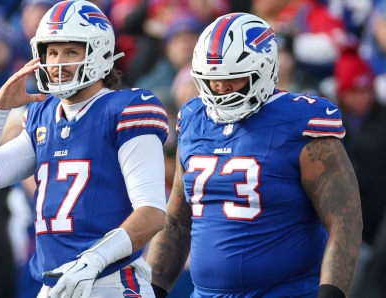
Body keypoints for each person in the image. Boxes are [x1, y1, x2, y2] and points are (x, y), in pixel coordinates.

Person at [146, 13, 362, 298]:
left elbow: (345, 222)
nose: (220, 88)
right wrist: (150, 291)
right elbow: (176, 224)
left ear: (263, 69)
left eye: (232, 79)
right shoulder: (193, 118)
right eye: (212, 80)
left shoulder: (300, 121)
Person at [0, 1, 168, 298]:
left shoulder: (125, 109)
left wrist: (95, 260)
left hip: (110, 283)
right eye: (53, 52)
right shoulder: (43, 116)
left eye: (71, 51)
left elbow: (151, 214)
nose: (58, 63)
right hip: (53, 285)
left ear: (99, 53)